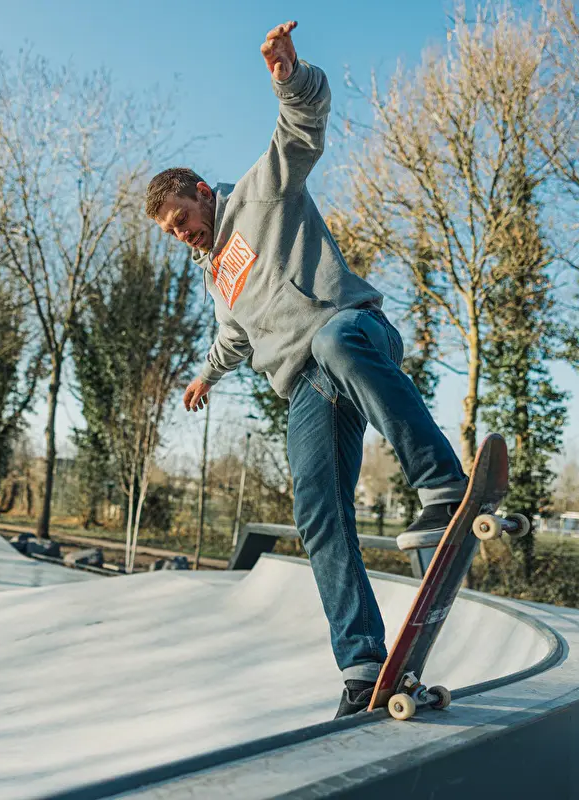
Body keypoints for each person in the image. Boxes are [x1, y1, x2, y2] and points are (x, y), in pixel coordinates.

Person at [144, 21, 468, 717]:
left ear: (203, 192)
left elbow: (303, 126)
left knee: (331, 343)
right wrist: (206, 375)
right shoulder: (216, 278)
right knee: (316, 511)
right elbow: (234, 335)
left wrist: (289, 77)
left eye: (183, 218)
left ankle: (442, 486)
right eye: (174, 233)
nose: (185, 234)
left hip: (353, 330)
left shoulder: (262, 193)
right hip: (306, 388)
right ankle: (361, 663)